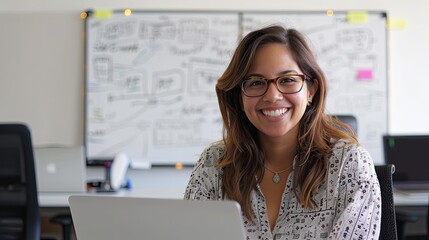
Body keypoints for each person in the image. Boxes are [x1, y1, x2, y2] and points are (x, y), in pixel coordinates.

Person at [184, 25, 381, 240]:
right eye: (256, 82)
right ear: (239, 97)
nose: (272, 96)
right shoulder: (214, 164)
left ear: (311, 90)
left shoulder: (348, 164)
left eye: (287, 80)